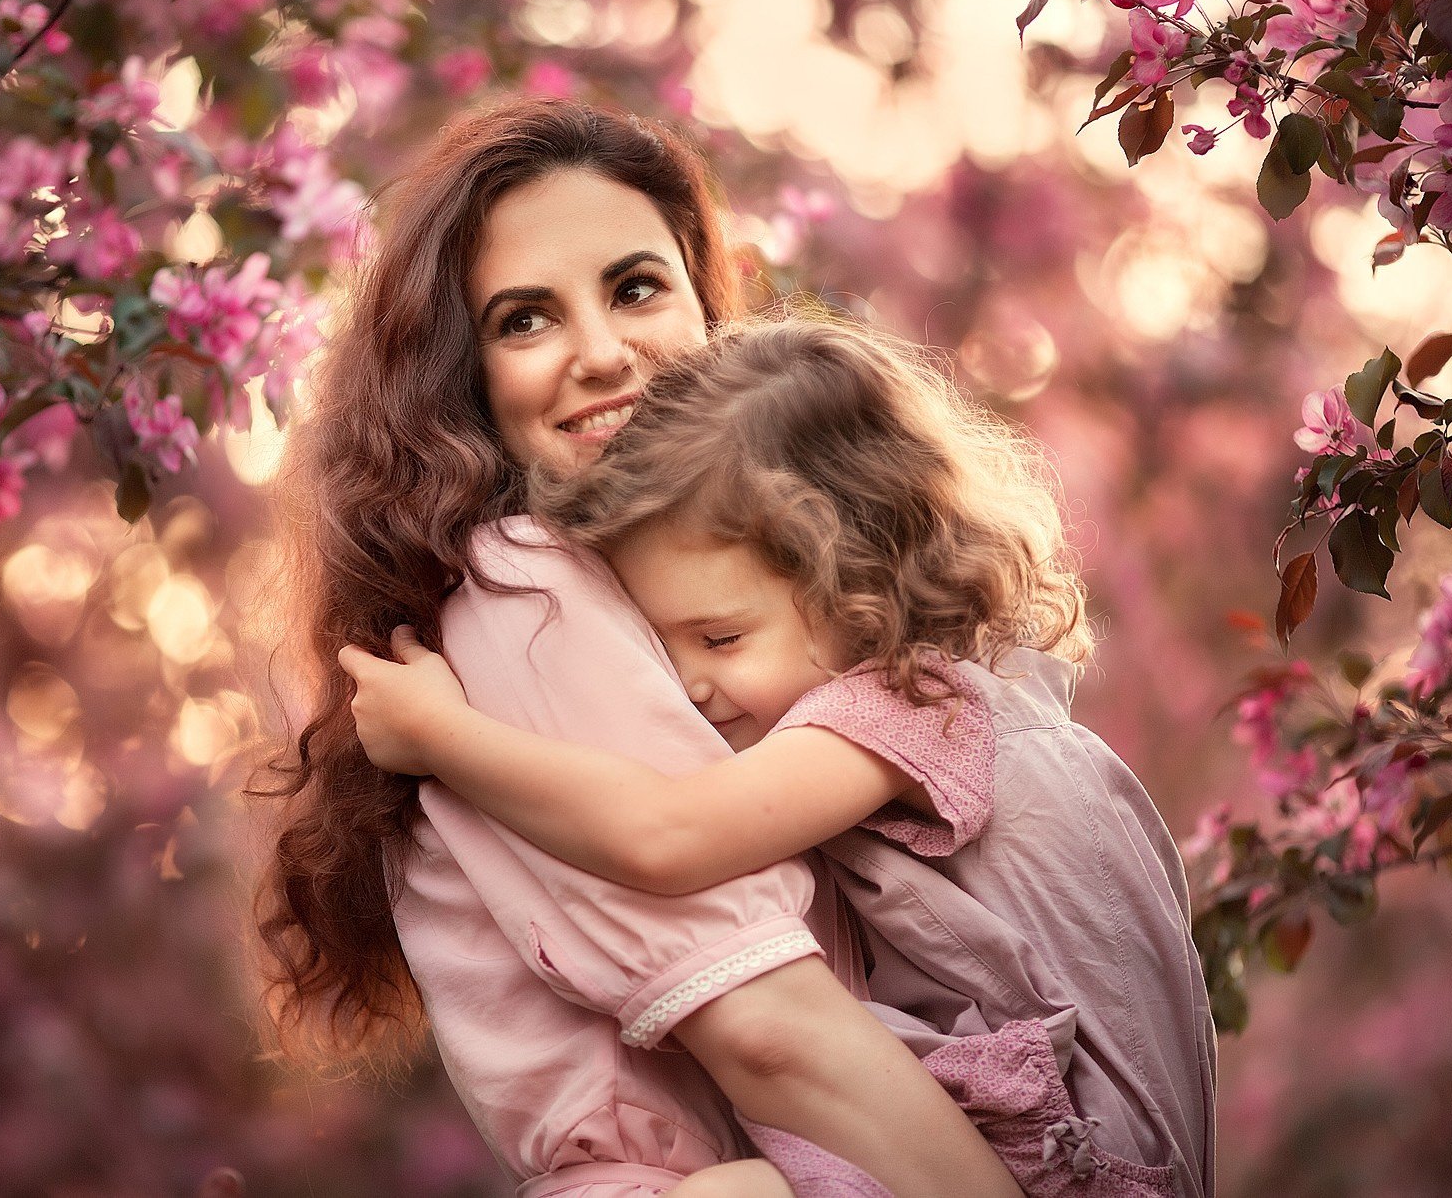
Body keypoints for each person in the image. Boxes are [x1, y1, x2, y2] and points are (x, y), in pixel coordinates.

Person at [253, 99, 1022, 1198]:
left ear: (707, 303)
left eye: (634, 288)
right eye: (524, 320)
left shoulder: (666, 571)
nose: (603, 354)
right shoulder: (525, 588)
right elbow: (766, 1027)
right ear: (457, 378)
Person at [339, 316, 1218, 1198]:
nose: (692, 685)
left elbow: (666, 833)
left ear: (859, 580)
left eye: (720, 636)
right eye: (667, 648)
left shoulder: (914, 709)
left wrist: (443, 737)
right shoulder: (958, 709)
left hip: (1071, 1165)